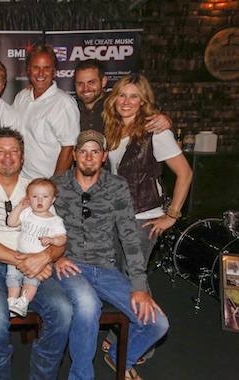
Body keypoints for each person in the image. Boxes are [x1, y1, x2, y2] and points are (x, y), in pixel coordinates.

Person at [51, 129, 170, 380]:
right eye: (83, 151)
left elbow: (129, 237)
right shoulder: (57, 185)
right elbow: (38, 225)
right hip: (68, 265)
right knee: (87, 305)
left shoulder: (116, 186)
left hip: (105, 269)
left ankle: (118, 357)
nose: (89, 157)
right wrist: (55, 257)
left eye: (95, 152)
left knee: (158, 323)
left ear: (104, 156)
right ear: (74, 155)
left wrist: (139, 285)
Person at [0, 127, 73, 380]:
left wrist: (45, 257)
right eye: (1, 151)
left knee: (63, 310)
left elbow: (60, 238)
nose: (7, 156)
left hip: (33, 265)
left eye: (14, 151)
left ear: (22, 157)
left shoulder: (37, 187)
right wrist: (28, 261)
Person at [103, 73, 193, 273]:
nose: (126, 102)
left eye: (133, 96)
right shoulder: (113, 131)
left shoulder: (156, 131)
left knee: (134, 276)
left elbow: (185, 173)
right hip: (116, 214)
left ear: (143, 101)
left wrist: (172, 216)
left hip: (143, 217)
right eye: (122, 95)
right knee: (118, 275)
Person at [12, 44, 80, 180]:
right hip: (18, 182)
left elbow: (68, 148)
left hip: (45, 186)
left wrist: (54, 185)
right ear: (28, 70)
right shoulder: (22, 96)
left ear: (54, 71)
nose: (41, 73)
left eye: (46, 68)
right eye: (36, 67)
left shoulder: (63, 103)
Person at [5, 178, 67, 317]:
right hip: (19, 254)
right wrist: (20, 207)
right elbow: (11, 222)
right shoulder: (27, 213)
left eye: (45, 197)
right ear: (29, 199)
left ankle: (23, 302)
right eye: (35, 196)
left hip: (38, 261)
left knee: (31, 281)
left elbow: (63, 238)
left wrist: (52, 240)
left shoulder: (55, 221)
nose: (40, 200)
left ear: (52, 200)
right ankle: (12, 301)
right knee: (12, 277)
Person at [74, 59, 173, 134]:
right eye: (80, 84)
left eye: (92, 82)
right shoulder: (70, 107)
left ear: (103, 81)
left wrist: (166, 121)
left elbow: (150, 114)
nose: (85, 89)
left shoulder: (118, 103)